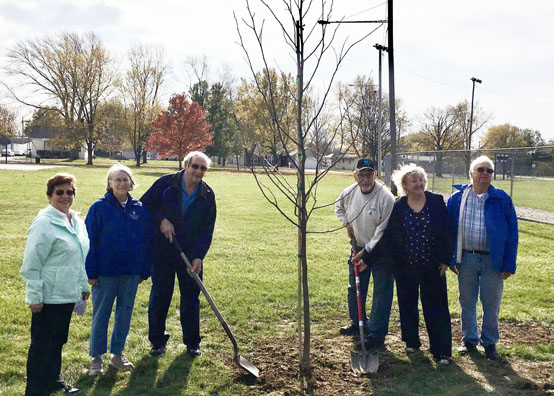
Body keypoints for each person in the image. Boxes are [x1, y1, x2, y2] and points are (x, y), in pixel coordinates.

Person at [141, 151, 216, 358]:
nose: (198, 171)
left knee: (191, 298)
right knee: (160, 295)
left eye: (203, 168)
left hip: (190, 255)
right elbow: (144, 206)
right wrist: (161, 220)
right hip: (163, 251)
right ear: (186, 165)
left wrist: (199, 256)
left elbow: (206, 230)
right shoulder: (165, 185)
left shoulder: (207, 195)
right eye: (195, 166)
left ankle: (192, 343)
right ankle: (157, 341)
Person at [20, 173, 90, 396]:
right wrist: (35, 297)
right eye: (59, 192)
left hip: (67, 294)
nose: (65, 196)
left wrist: (82, 286)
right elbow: (32, 263)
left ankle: (54, 381)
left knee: (58, 340)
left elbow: (79, 257)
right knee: (42, 345)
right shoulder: (44, 223)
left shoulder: (76, 221)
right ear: (50, 195)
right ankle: (35, 390)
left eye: (70, 192)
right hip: (48, 296)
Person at [381, 164, 455, 364]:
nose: (419, 183)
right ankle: (411, 342)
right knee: (407, 305)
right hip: (406, 267)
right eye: (414, 180)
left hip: (433, 266)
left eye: (421, 179)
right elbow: (390, 237)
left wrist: (445, 259)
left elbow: (448, 232)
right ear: (404, 184)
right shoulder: (399, 206)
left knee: (436, 307)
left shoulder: (436, 202)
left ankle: (441, 351)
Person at [447, 155, 518, 360]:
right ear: (471, 173)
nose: (485, 174)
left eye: (489, 171)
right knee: (467, 301)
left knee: (491, 303)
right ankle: (469, 340)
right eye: (480, 170)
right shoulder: (457, 198)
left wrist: (508, 264)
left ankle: (490, 343)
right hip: (467, 258)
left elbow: (512, 234)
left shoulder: (501, 199)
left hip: (492, 260)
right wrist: (453, 257)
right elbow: (449, 230)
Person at [85, 164, 151, 376]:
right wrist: (91, 272)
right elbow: (89, 241)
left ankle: (117, 354)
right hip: (105, 272)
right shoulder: (99, 208)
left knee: (124, 313)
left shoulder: (139, 208)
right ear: (109, 183)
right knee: (101, 314)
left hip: (131, 272)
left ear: (131, 183)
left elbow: (146, 240)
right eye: (117, 179)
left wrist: (143, 270)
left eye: (125, 179)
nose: (122, 183)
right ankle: (96, 358)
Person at [334, 158, 395, 348]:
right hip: (358, 247)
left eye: (369, 174)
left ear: (375, 175)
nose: (365, 179)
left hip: (382, 252)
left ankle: (376, 333)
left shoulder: (385, 197)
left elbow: (383, 231)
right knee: (356, 287)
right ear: (355, 176)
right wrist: (346, 223)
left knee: (381, 292)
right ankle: (357, 322)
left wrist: (366, 253)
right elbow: (338, 207)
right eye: (361, 174)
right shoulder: (349, 192)